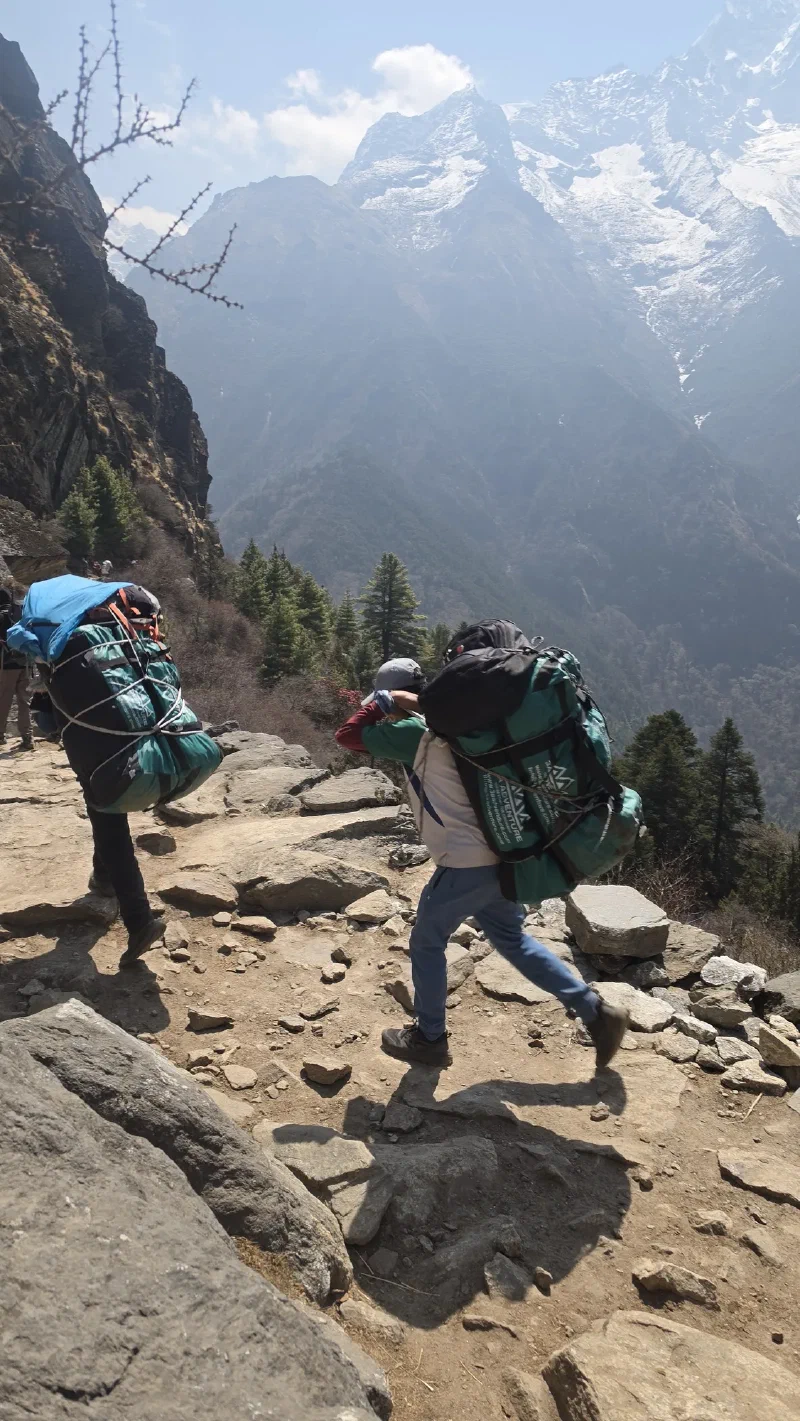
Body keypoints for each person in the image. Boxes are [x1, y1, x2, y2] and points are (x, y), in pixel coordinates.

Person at [335, 663, 628, 1072]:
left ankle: (429, 1039)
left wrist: (383, 704)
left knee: (427, 941)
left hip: (465, 861)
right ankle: (595, 1012)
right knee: (511, 938)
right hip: (503, 851)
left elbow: (347, 736)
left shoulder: (412, 734)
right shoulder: (459, 726)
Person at [0, 587, 34, 750]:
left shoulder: (1, 617)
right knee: (25, 701)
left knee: (3, 700)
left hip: (6, 665)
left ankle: (0, 735)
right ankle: (28, 738)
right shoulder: (22, 614)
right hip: (25, 663)